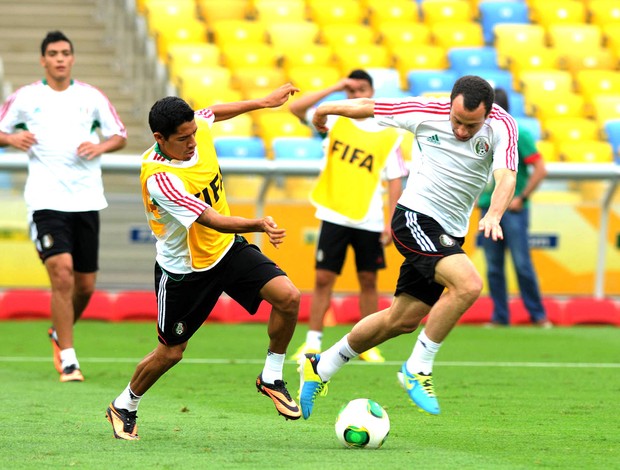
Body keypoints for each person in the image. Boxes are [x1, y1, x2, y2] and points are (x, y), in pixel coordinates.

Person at [298, 75, 518, 419]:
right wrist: (325, 109)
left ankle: (321, 366)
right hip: (415, 218)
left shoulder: (503, 126)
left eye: (471, 125)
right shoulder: (424, 111)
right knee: (469, 284)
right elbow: (367, 107)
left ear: (488, 114)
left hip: (450, 232)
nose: (461, 131)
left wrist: (494, 213)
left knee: (400, 320)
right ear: (450, 105)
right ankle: (418, 368)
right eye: (457, 121)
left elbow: (506, 175)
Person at [106, 84, 303, 440]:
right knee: (171, 353)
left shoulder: (196, 129)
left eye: (193, 133)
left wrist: (263, 102)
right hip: (185, 271)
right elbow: (209, 218)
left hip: (226, 251)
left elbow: (214, 112)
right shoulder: (159, 178)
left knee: (288, 297)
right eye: (183, 138)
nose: (193, 141)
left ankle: (272, 376)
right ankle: (125, 405)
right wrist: (257, 223)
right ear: (160, 139)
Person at [0, 31, 127, 383]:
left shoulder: (91, 97)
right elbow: (0, 129)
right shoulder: (25, 98)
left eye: (65, 53)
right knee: (62, 273)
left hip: (86, 199)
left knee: (85, 286)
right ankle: (69, 359)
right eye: (53, 53)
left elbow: (120, 134)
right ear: (43, 60)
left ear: (72, 59)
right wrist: (11, 138)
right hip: (45, 200)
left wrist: (99, 147)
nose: (59, 58)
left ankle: (59, 332)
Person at [289, 69, 408, 363]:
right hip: (334, 215)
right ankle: (313, 343)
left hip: (369, 219)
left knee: (368, 280)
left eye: (361, 90)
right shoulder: (334, 121)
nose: (356, 96)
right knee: (323, 279)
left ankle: (366, 344)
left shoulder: (388, 134)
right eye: (351, 91)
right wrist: (336, 85)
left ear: (372, 93)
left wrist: (392, 222)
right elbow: (296, 108)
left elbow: (395, 180)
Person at [478, 88, 551, 327]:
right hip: (488, 208)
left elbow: (540, 169)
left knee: (521, 264)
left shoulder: (519, 133)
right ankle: (500, 316)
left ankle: (538, 315)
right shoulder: (480, 132)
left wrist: (521, 196)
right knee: (493, 266)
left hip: (513, 209)